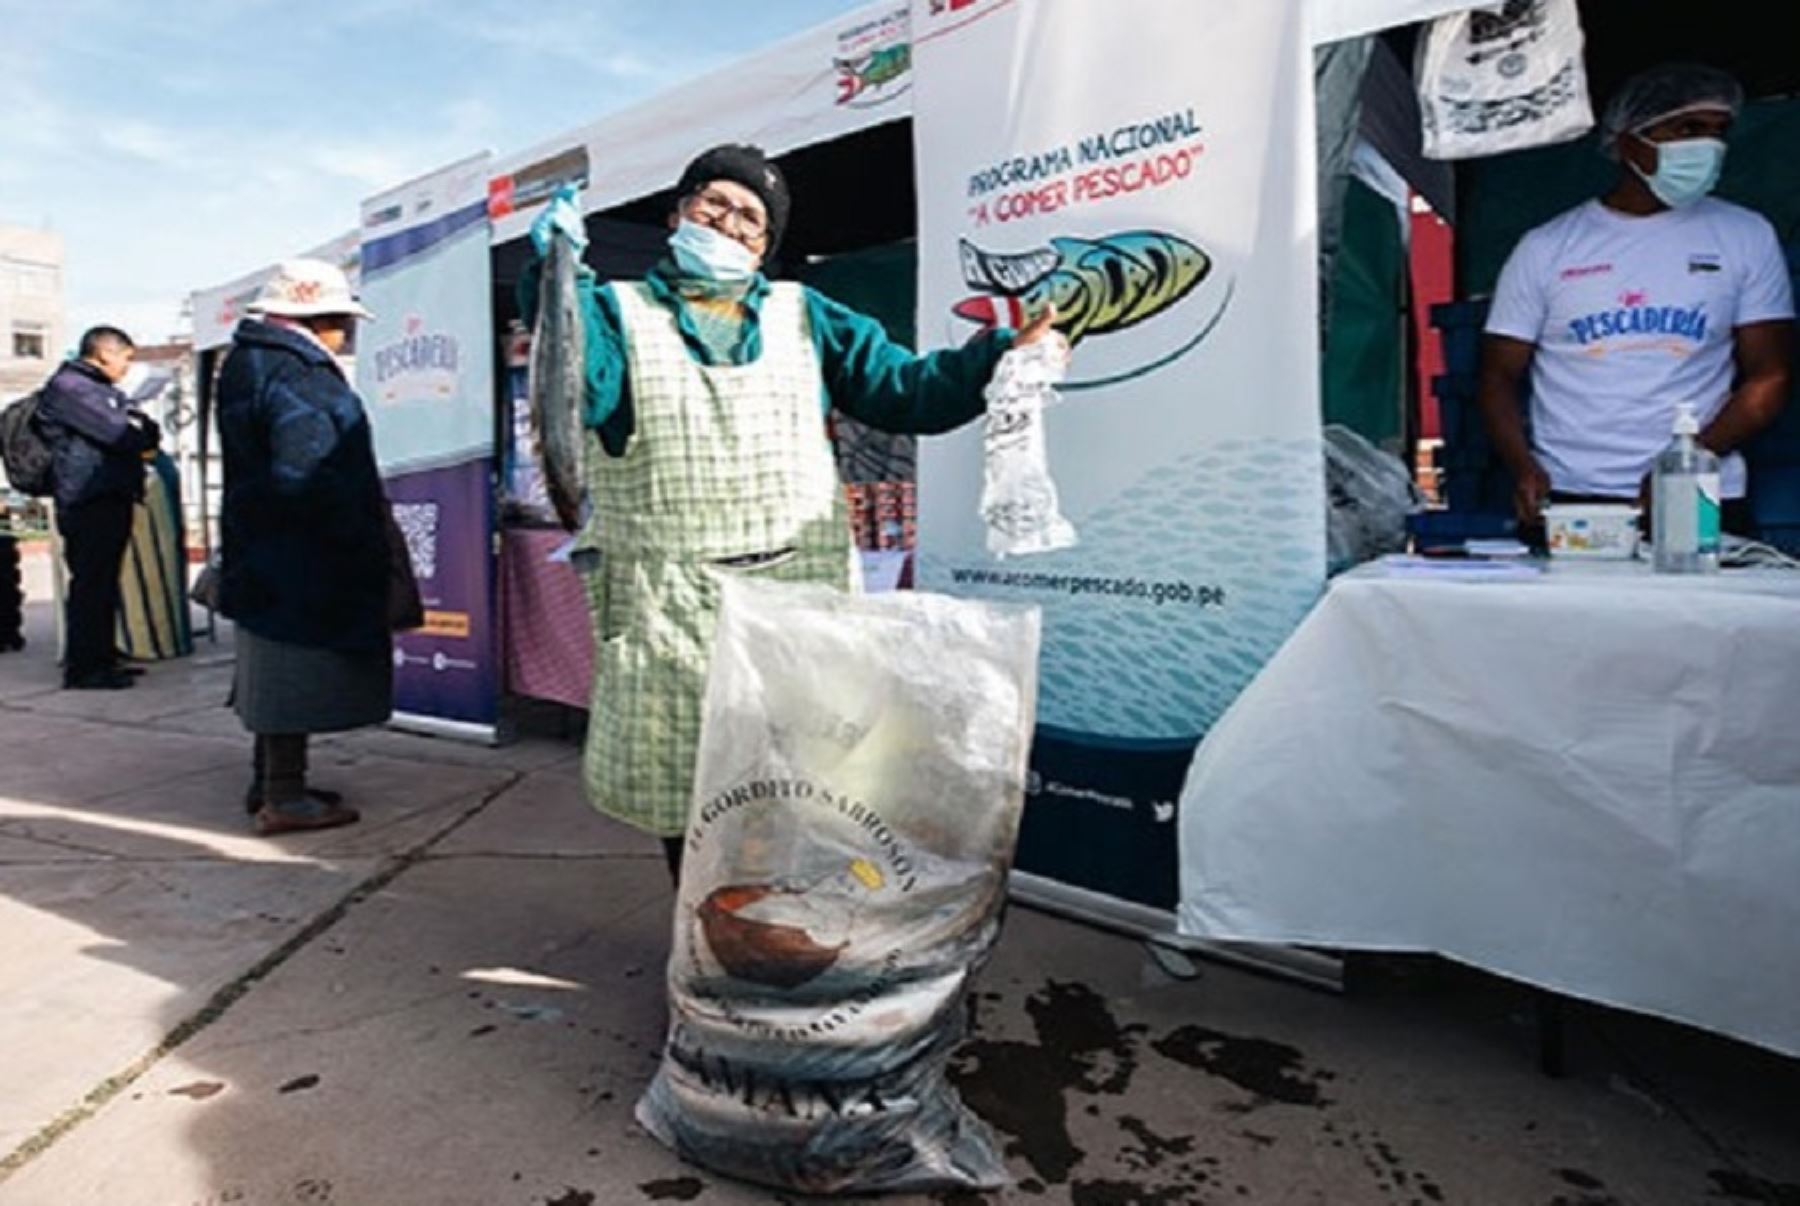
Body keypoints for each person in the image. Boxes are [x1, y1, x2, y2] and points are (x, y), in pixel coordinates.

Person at [521, 144, 1063, 881]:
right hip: (670, 609)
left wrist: (998, 356)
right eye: (712, 204)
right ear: (677, 214)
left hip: (797, 602)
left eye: (749, 219)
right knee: (694, 798)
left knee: (801, 786)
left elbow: (906, 391)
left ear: (764, 245)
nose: (728, 223)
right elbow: (582, 382)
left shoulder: (804, 314)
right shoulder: (618, 313)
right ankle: (712, 955)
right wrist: (555, 277)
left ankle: (788, 935)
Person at [1478, 63, 1794, 534]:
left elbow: (1769, 376)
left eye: (1718, 131)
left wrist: (1685, 467)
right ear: (1628, 142)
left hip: (1704, 494)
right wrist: (1523, 467)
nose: (1706, 146)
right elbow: (1497, 376)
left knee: (1706, 609)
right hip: (1573, 497)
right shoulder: (1548, 247)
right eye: (1687, 129)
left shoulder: (1746, 236)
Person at [216, 259, 390, 836]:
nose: (349, 332)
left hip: (261, 543)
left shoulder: (248, 361)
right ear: (318, 317)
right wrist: (351, 541)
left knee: (271, 662)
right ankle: (284, 797)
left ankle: (267, 780)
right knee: (295, 667)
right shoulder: (302, 374)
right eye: (344, 320)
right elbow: (311, 470)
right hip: (303, 551)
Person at [37, 326, 161, 690]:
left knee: (104, 582)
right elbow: (124, 434)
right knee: (91, 583)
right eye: (125, 357)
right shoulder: (71, 388)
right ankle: (85, 668)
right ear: (105, 353)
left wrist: (139, 427)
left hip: (108, 494)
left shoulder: (96, 389)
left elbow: (144, 430)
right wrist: (137, 427)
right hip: (88, 499)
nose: (126, 366)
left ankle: (103, 655)